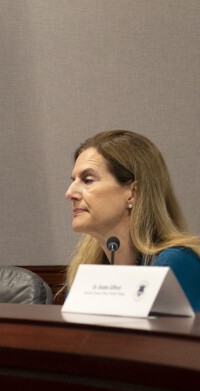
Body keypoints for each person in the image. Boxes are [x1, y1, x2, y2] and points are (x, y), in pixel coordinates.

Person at [65, 130, 200, 310]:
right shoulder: (85, 272)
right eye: (74, 180)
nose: (70, 194)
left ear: (133, 193)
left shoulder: (174, 262)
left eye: (88, 180)